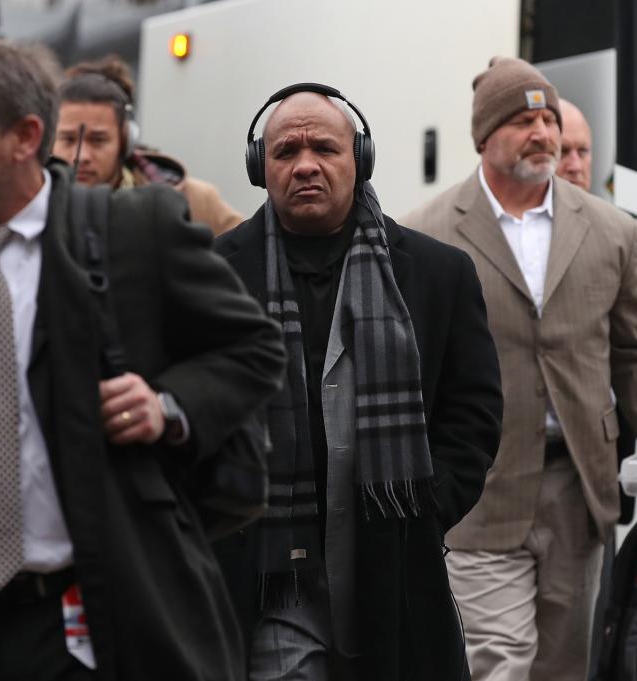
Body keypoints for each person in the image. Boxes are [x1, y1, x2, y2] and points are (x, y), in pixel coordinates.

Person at [0, 38, 286, 681]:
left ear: (25, 137)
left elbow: (254, 347)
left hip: (91, 623)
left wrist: (167, 404)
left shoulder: (133, 235)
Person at [401, 57, 637, 681]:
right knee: (498, 662)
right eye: (521, 120)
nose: (542, 132)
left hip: (580, 488)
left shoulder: (613, 232)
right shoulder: (424, 234)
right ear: (484, 137)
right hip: (479, 488)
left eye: (547, 118)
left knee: (566, 665)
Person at [213, 83, 504, 681]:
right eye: (285, 152)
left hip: (391, 562)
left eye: (324, 148)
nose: (305, 166)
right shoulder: (214, 273)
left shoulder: (436, 272)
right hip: (268, 567)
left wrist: (422, 512)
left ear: (359, 159)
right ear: (259, 168)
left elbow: (472, 413)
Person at [556, 98, 637, 523]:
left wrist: (632, 305)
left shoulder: (625, 228)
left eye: (584, 152)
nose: (575, 165)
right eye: (563, 152)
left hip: (604, 454)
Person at [51, 55, 244, 235]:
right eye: (68, 139)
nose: (82, 156)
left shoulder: (195, 201)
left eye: (98, 140)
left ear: (126, 141)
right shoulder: (28, 206)